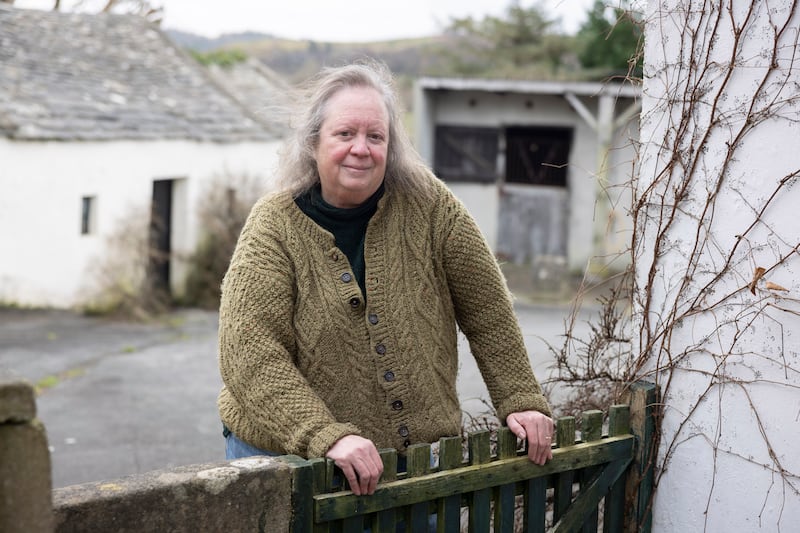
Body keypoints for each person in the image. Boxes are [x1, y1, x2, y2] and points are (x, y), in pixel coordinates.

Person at [217, 59, 553, 498]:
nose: (362, 148)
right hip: (288, 463)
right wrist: (326, 434)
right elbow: (249, 350)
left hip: (417, 462)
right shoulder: (273, 225)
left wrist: (521, 398)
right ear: (313, 141)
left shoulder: (431, 206)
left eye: (375, 136)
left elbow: (487, 310)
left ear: (391, 145)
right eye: (345, 133)